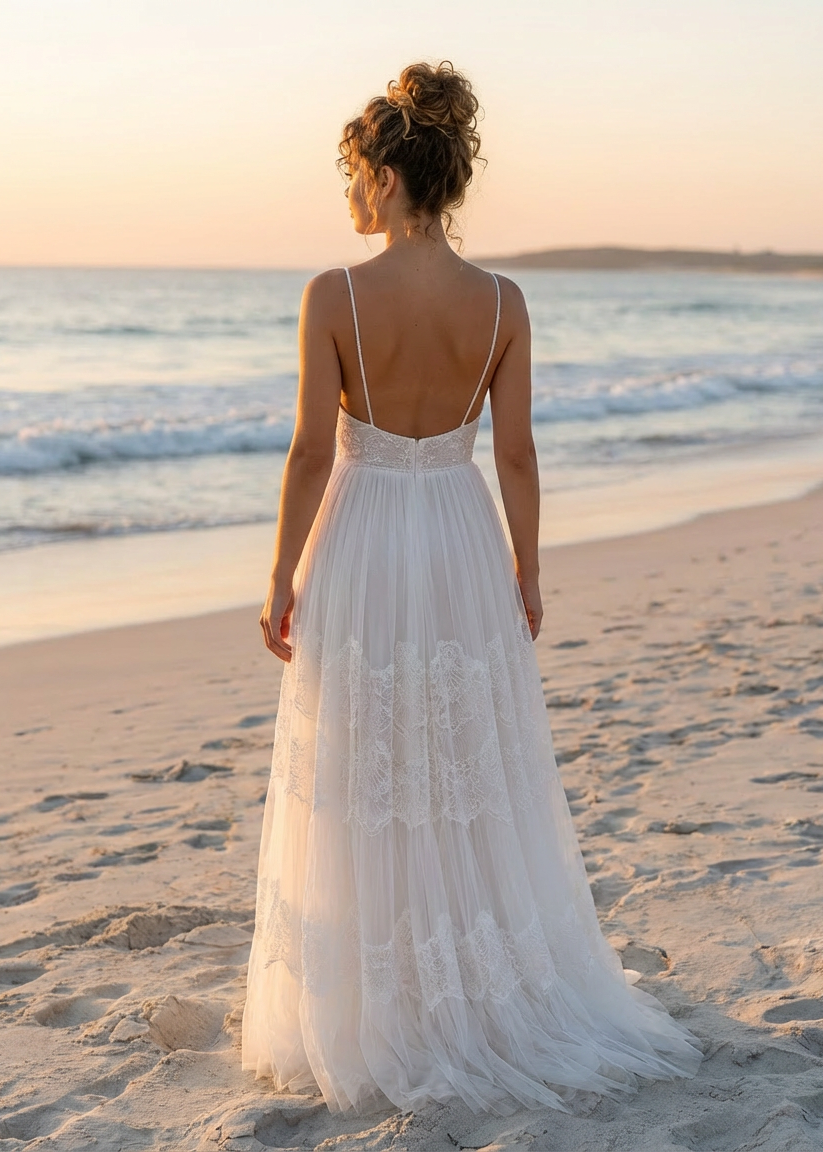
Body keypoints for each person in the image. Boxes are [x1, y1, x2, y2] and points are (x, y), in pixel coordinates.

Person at [242, 60, 702, 1116]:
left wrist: (280, 572)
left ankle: (374, 992)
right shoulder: (501, 302)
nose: (349, 196)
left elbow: (312, 451)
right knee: (457, 761)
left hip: (361, 537)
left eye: (356, 175)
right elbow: (519, 455)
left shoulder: (332, 295)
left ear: (394, 178)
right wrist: (525, 568)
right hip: (456, 533)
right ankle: (470, 982)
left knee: (364, 759)